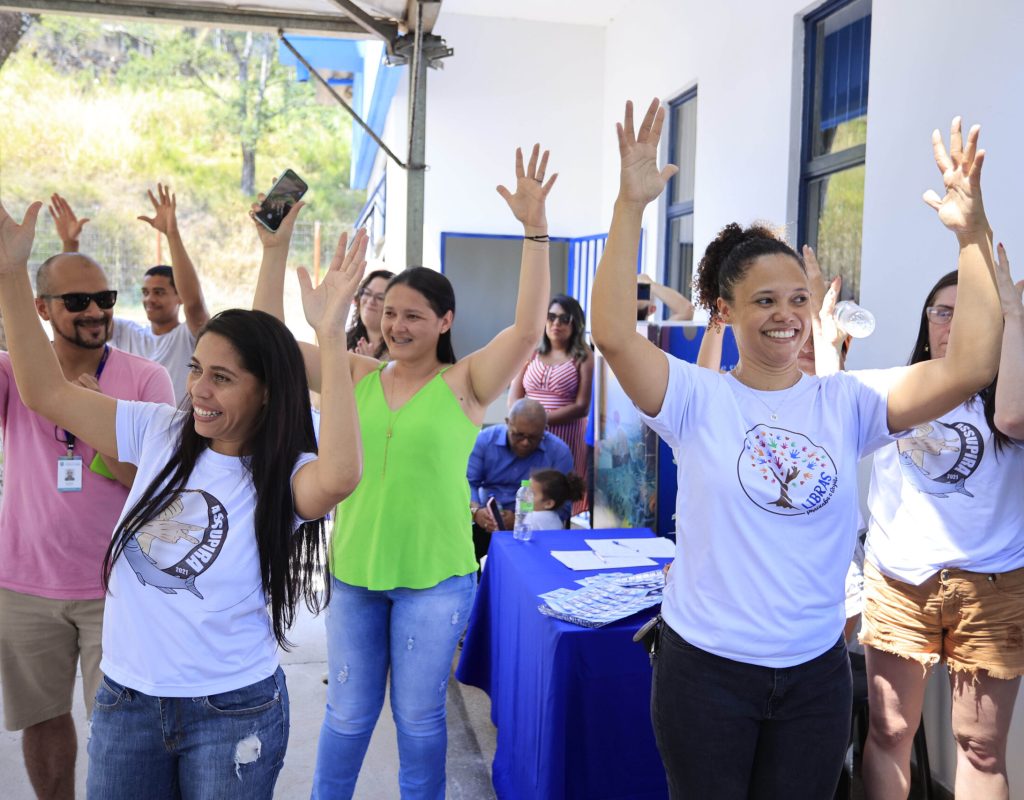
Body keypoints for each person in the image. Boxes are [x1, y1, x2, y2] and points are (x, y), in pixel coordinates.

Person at [589, 100, 1002, 798]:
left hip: (813, 678)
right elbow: (613, 335)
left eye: (797, 299)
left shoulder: (850, 403)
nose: (785, 315)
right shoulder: (697, 399)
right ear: (725, 310)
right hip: (705, 674)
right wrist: (630, 205)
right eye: (763, 301)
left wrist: (972, 233)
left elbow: (969, 367)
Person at [0, 196, 364, 800]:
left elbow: (343, 475)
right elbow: (43, 392)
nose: (198, 389)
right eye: (197, 370)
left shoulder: (288, 471)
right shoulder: (160, 429)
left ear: (268, 392)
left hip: (232, 710)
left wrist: (329, 335)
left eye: (221, 378)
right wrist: (12, 274)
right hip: (126, 700)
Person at [253, 143, 558, 799]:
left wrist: (535, 231)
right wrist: (273, 250)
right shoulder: (353, 373)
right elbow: (268, 343)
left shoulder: (466, 382)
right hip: (356, 574)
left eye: (414, 315)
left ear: (444, 321)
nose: (397, 325)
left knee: (420, 723)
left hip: (436, 580)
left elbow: (529, 329)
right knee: (347, 716)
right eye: (389, 312)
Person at [0, 246, 173, 799]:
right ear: (42, 308)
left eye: (104, 299)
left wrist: (98, 420)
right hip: (24, 585)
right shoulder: (12, 373)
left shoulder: (146, 380)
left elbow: (160, 487)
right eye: (77, 301)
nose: (95, 311)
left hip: (120, 587)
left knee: (123, 732)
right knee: (43, 719)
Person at [860, 253, 1024, 800]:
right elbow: (820, 396)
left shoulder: (1010, 398)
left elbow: (1011, 421)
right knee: (889, 732)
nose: (954, 325)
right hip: (900, 584)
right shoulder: (894, 387)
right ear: (927, 323)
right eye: (943, 312)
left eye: (973, 314)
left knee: (980, 748)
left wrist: (1016, 319)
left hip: (992, 587)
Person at [50, 187, 211, 403]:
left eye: (159, 292)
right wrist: (70, 245)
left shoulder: (188, 337)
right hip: (123, 432)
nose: (149, 299)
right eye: (145, 292)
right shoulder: (128, 332)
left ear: (179, 296)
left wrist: (172, 234)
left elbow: (194, 304)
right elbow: (79, 311)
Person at [509, 292, 593, 514]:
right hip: (530, 435)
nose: (556, 323)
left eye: (564, 319)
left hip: (567, 434)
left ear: (576, 323)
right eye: (551, 317)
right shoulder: (532, 352)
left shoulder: (583, 355)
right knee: (529, 490)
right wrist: (528, 425)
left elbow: (582, 406)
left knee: (559, 494)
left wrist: (541, 419)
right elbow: (514, 399)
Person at [467, 397, 574, 560]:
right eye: (518, 435)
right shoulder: (485, 441)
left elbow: (564, 505)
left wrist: (523, 520)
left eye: (533, 437)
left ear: (545, 429)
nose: (525, 443)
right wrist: (477, 513)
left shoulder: (558, 452)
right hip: (487, 522)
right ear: (508, 423)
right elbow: (468, 482)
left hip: (534, 530)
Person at [347, 268, 395, 359]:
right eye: (367, 293)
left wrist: (370, 367)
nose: (371, 301)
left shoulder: (400, 350)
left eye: (380, 297)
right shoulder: (343, 341)